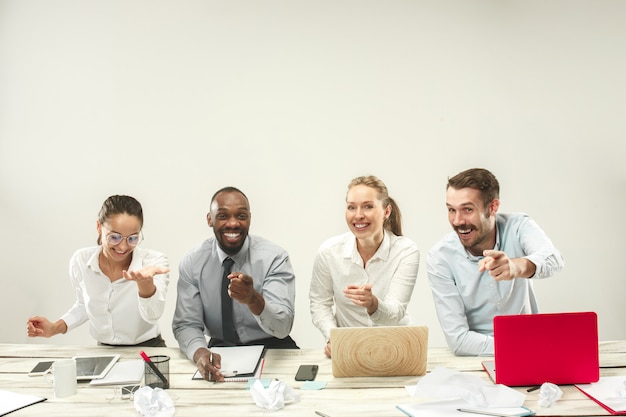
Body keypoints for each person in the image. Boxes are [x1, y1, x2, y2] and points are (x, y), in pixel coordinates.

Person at [428, 168, 565, 356]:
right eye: (451, 210)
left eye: (467, 209)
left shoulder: (518, 226)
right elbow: (458, 341)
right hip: (479, 357)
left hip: (532, 351)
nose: (458, 221)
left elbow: (554, 259)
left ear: (493, 207)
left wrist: (517, 266)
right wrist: (520, 347)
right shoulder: (440, 257)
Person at [172, 186, 298, 381]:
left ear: (249, 218)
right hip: (221, 349)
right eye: (222, 216)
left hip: (273, 346)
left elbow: (282, 327)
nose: (233, 223)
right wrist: (199, 353)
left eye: (241, 216)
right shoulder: (192, 262)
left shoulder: (274, 257)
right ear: (209, 219)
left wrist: (253, 299)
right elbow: (186, 324)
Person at [27, 195, 171, 347]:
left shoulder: (154, 263)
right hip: (104, 350)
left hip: (148, 349)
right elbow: (84, 305)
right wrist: (54, 328)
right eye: (114, 237)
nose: (122, 247)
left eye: (132, 238)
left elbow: (153, 316)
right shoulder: (81, 260)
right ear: (98, 227)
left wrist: (145, 285)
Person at [310, 175, 420, 358]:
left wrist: (373, 304)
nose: (358, 214)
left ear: (386, 211)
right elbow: (319, 304)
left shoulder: (406, 251)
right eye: (351, 207)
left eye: (368, 206)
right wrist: (333, 337)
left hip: (397, 346)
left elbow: (396, 311)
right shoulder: (329, 251)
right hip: (350, 348)